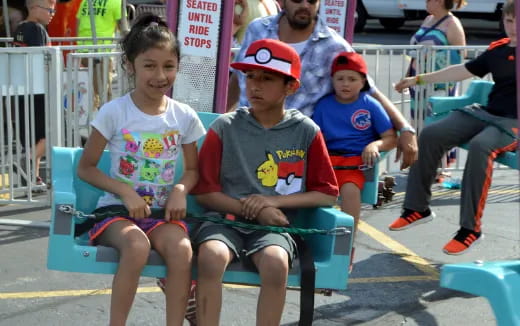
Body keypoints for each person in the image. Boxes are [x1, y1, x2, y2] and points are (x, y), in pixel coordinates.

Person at [191, 38, 339, 325]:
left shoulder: (306, 131)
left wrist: (272, 202)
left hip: (275, 227)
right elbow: (205, 192)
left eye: (267, 79)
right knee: (211, 256)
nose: (255, 86)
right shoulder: (225, 126)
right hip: (223, 220)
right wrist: (256, 209)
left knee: (275, 264)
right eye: (250, 77)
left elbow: (327, 194)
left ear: (291, 86)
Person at [77, 14, 206, 325]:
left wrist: (179, 190)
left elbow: (192, 171)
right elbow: (86, 168)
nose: (160, 75)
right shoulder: (114, 112)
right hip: (117, 213)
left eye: (169, 66)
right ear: (130, 65)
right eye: (149, 65)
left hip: (161, 214)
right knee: (136, 246)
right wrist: (124, 191)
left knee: (182, 250)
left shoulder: (183, 116)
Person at [227, 0, 419, 170]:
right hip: (245, 137)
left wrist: (405, 129)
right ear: (283, 2)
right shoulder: (257, 30)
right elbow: (238, 77)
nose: (304, 5)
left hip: (293, 151)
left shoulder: (334, 46)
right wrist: (219, 115)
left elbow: (369, 89)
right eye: (297, 0)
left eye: (311, 0)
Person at [389, 0, 517, 255]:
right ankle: (417, 208)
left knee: (482, 147)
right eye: (509, 21)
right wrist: (419, 78)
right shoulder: (498, 49)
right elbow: (463, 70)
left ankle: (470, 229)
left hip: (513, 123)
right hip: (485, 113)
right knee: (431, 133)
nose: (513, 27)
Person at [312, 51, 397, 270]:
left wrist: (374, 145)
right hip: (327, 163)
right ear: (332, 81)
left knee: (350, 193)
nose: (345, 84)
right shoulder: (323, 106)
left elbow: (390, 137)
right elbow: (313, 137)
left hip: (353, 165)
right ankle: (314, 245)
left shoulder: (370, 105)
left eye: (352, 79)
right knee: (316, 201)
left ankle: (346, 248)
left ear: (363, 82)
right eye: (340, 79)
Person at [12, 0, 56, 190]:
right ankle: (28, 159)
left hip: (22, 89)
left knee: (32, 135)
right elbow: (42, 59)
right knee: (52, 131)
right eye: (49, 10)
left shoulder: (20, 28)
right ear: (34, 8)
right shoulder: (37, 29)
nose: (52, 14)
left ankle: (33, 177)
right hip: (38, 90)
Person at [76, 0, 126, 109]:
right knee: (104, 93)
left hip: (83, 49)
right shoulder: (116, 2)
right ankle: (104, 121)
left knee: (91, 91)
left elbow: (78, 23)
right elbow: (123, 29)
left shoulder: (86, 1)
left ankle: (93, 117)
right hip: (102, 51)